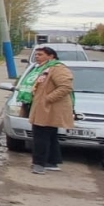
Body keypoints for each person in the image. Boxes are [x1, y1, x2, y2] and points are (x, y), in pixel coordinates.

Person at [27, 46, 73, 175]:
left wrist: (47, 99)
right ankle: (52, 162)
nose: (37, 57)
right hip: (42, 107)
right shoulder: (42, 68)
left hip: (49, 108)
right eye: (36, 54)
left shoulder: (58, 68)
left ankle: (39, 164)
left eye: (40, 54)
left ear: (51, 56)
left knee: (40, 136)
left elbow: (65, 87)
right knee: (50, 136)